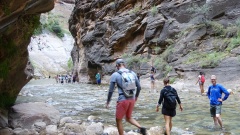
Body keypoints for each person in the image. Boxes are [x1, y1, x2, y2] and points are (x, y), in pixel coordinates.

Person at [105, 59, 146, 135]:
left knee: (118, 120)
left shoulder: (115, 75)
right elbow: (139, 87)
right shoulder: (132, 73)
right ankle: (141, 128)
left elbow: (111, 90)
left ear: (117, 66)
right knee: (128, 117)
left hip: (123, 100)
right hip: (132, 99)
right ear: (124, 65)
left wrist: (108, 102)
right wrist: (136, 96)